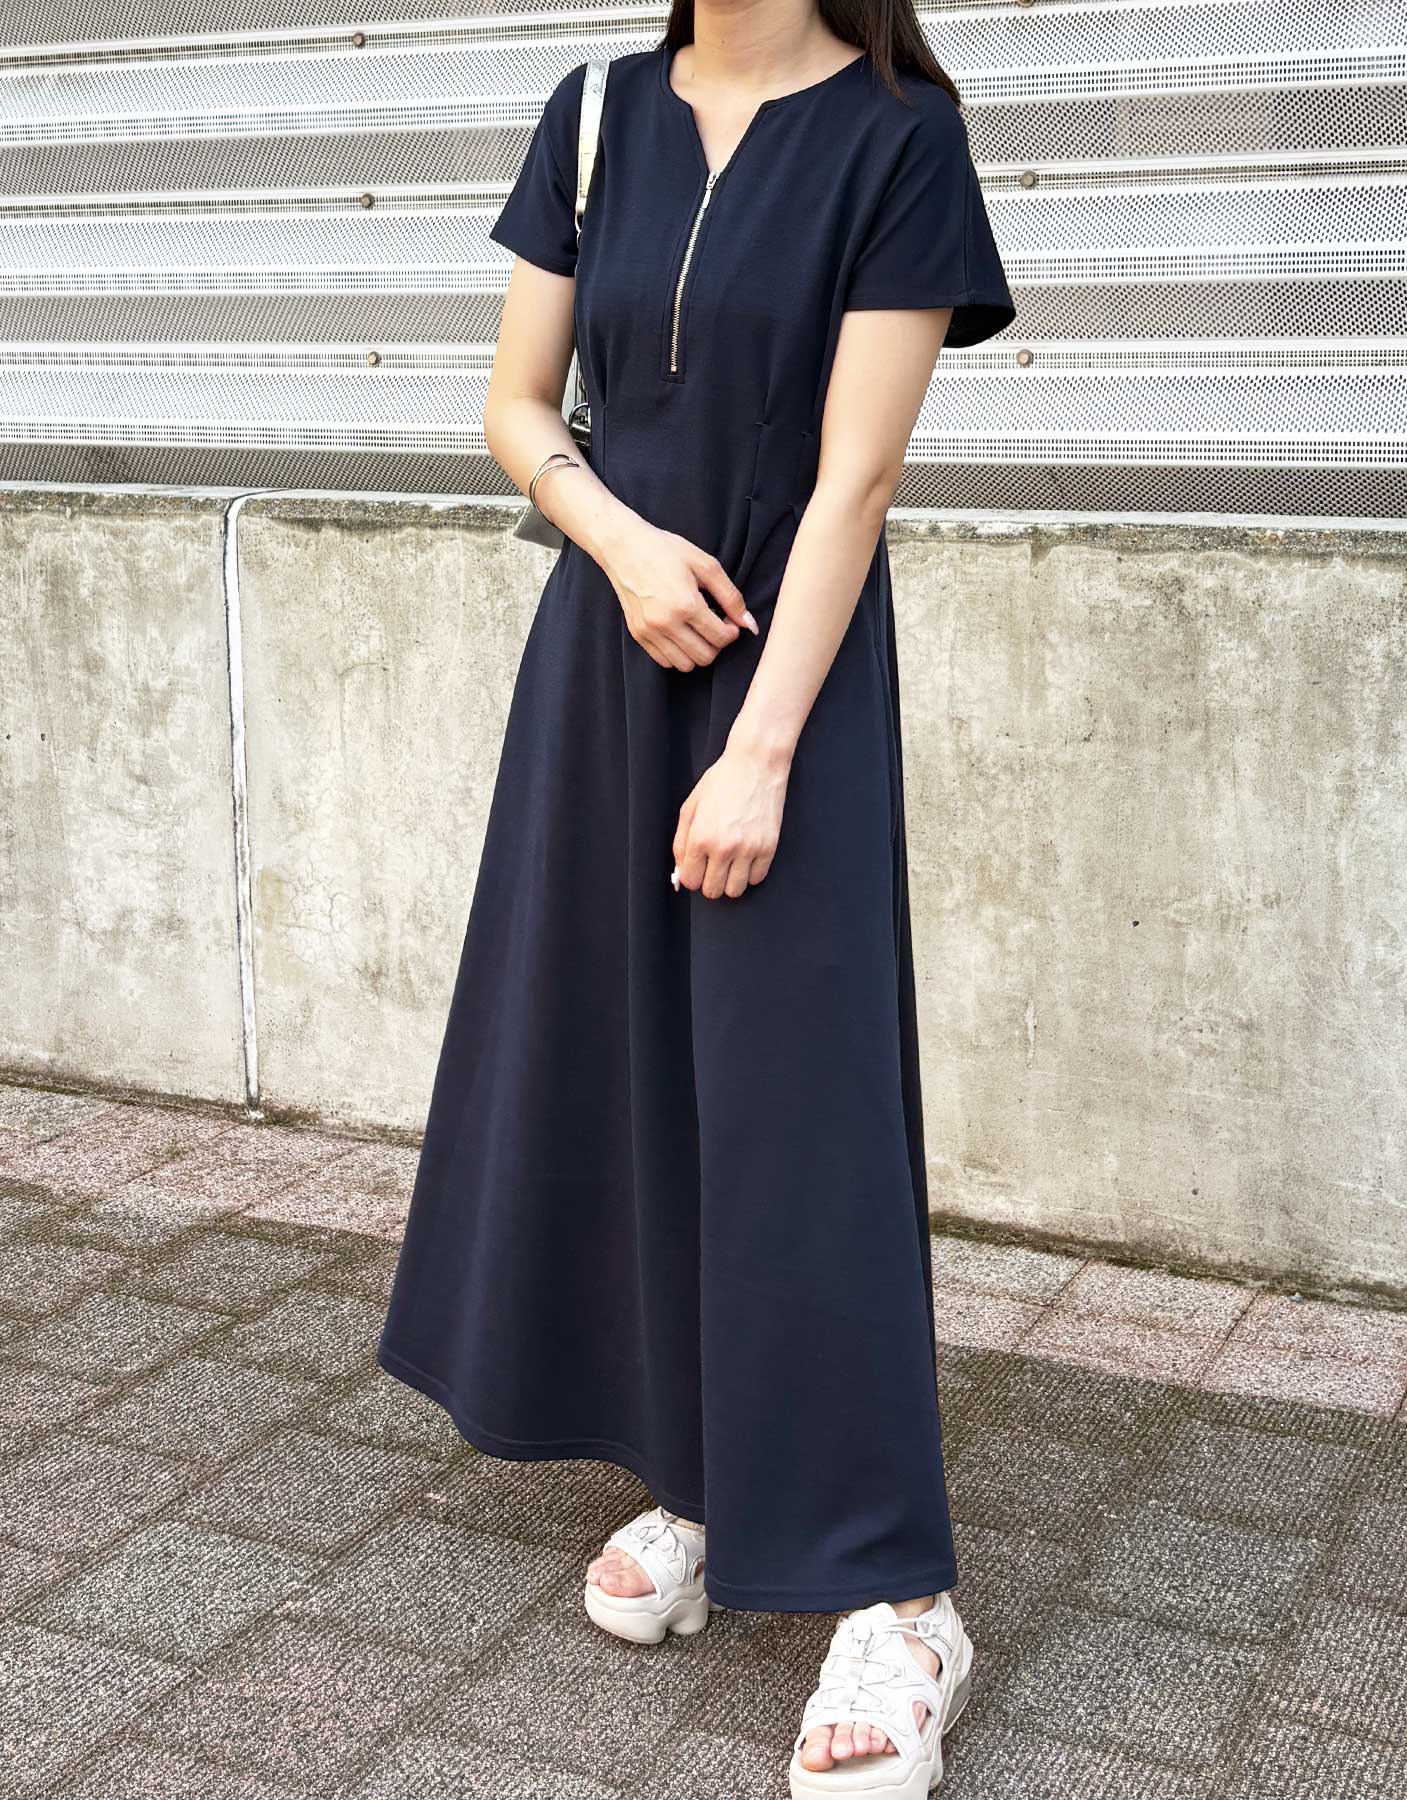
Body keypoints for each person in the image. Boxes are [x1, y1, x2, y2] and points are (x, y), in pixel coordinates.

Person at [378, 4, 1014, 1793]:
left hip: (785, 678)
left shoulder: (898, 137)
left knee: (804, 1109)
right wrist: (618, 540)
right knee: (628, 1068)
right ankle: (704, 1477)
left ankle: (901, 1598)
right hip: (608, 652)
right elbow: (517, 405)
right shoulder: (592, 117)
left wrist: (764, 750)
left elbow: (857, 477)